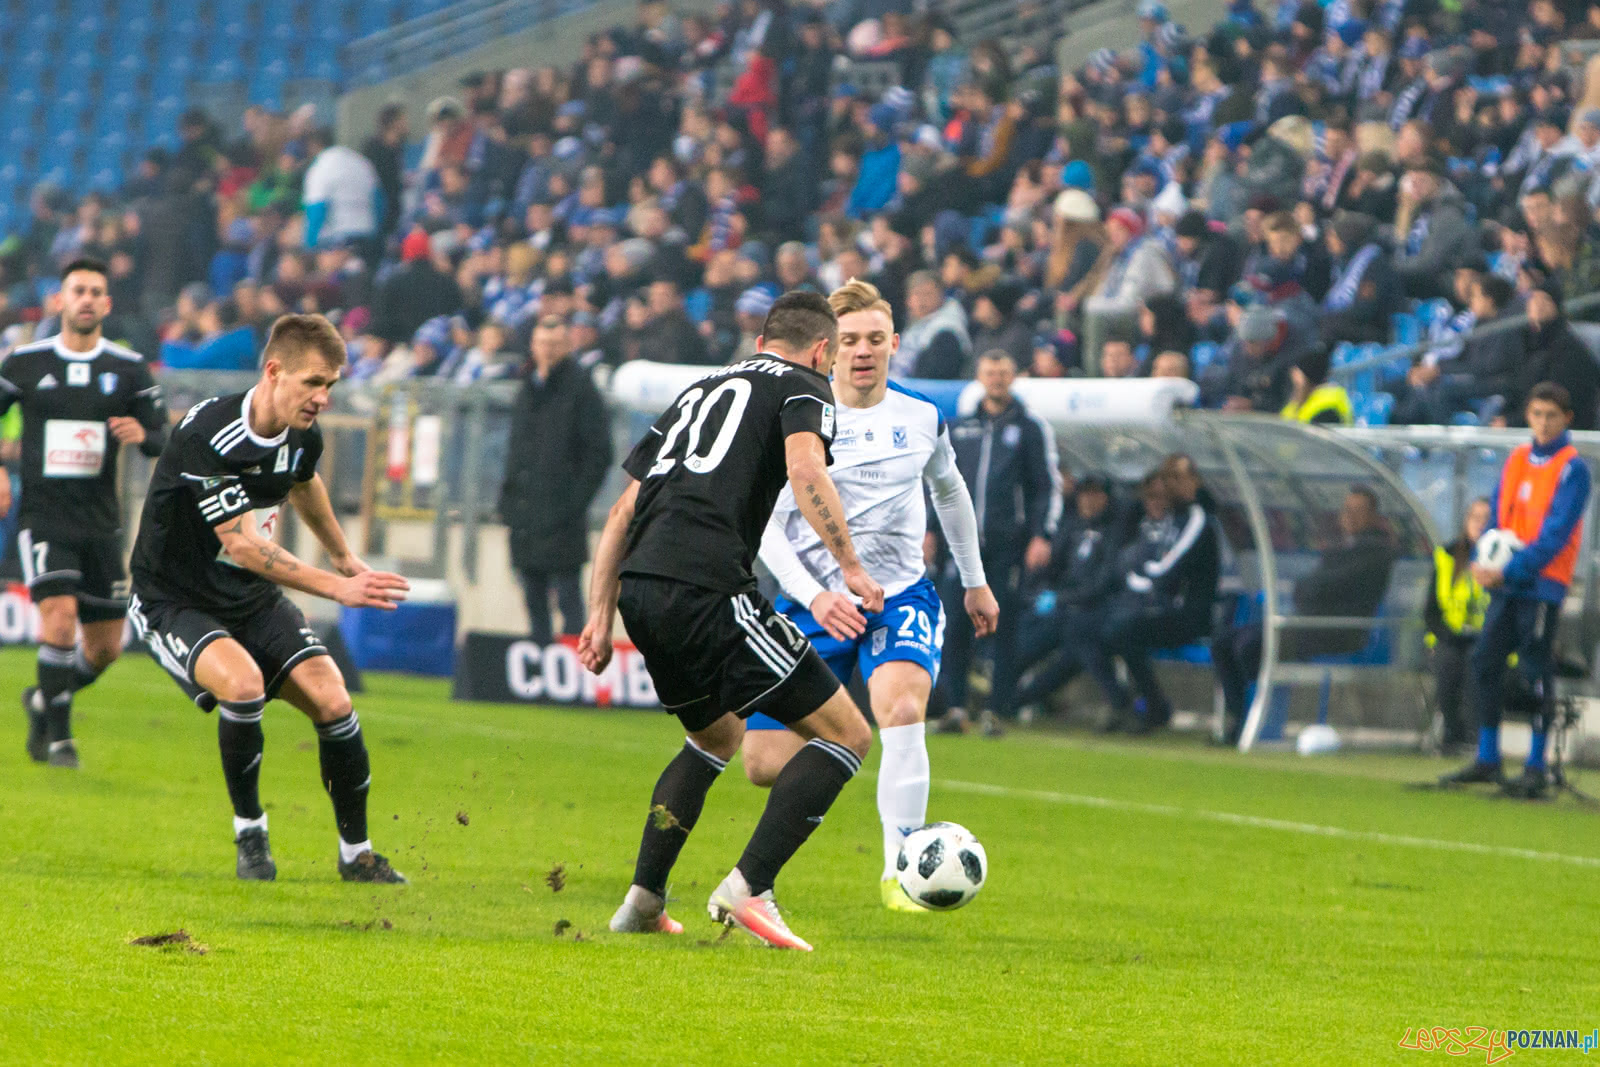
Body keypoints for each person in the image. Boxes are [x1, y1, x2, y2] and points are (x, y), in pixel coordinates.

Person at [580, 291, 886, 951]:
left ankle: (643, 898)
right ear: (820, 350)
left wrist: (599, 616)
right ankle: (750, 884)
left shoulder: (700, 390)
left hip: (642, 587)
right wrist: (851, 566)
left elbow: (619, 512)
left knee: (714, 736)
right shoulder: (806, 386)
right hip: (709, 588)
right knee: (848, 735)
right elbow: (805, 467)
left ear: (758, 343)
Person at [743, 280, 998, 912]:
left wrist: (974, 580)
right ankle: (836, 794)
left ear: (894, 344)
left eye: (875, 340)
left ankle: (900, 872)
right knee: (764, 763)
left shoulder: (921, 417)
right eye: (851, 340)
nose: (863, 352)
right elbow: (766, 524)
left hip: (900, 595)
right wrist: (812, 594)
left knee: (902, 710)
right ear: (828, 348)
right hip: (812, 604)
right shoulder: (799, 420)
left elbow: (951, 493)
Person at [127, 314, 411, 883]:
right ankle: (250, 834)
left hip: (248, 596)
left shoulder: (303, 434)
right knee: (244, 685)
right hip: (174, 598)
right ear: (274, 371)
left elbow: (303, 479)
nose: (322, 397)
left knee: (334, 702)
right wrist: (338, 588)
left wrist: (342, 554)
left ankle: (357, 856)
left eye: (330, 384)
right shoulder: (207, 436)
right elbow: (245, 545)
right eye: (312, 382)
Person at [0, 259, 169, 768]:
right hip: (44, 516)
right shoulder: (24, 363)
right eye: (78, 290)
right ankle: (60, 739)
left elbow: (162, 435)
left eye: (96, 291)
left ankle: (42, 699)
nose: (87, 299)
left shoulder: (128, 369)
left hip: (101, 521)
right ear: (60, 300)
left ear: (107, 304)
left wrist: (144, 437)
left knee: (104, 649)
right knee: (59, 617)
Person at [1439, 382, 1592, 799]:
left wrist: (1507, 570)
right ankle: (1488, 757)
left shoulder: (1572, 468)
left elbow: (1555, 535)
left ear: (1567, 419)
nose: (1543, 423)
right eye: (1537, 414)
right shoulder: (1517, 458)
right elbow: (1497, 516)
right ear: (1528, 415)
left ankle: (1536, 766)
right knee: (1485, 660)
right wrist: (1485, 560)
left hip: (1542, 585)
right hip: (1507, 584)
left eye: (1552, 416)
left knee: (1535, 669)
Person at [935, 350, 1060, 734]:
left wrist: (1042, 534)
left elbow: (1045, 487)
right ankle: (954, 707)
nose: (997, 379)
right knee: (954, 622)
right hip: (959, 543)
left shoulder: (1029, 428)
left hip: (1007, 543)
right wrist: (928, 529)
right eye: (990, 373)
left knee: (1004, 625)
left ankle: (996, 710)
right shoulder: (960, 427)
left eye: (1004, 373)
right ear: (979, 376)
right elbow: (936, 483)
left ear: (1013, 376)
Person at [1212, 485, 1398, 745]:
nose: (1350, 516)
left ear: (1374, 516)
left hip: (1334, 633)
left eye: (1358, 511)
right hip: (1308, 625)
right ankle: (1240, 718)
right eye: (1347, 510)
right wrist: (1309, 589)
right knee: (1223, 642)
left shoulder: (1375, 551)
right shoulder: (1345, 547)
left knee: (1249, 646)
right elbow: (1313, 586)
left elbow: (1324, 585)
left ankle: (1258, 721)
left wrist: (1309, 589)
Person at [499, 315, 613, 644]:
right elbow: (516, 448)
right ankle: (539, 660)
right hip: (523, 510)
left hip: (561, 513)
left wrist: (573, 502)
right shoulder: (527, 386)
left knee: (567, 596)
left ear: (567, 346)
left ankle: (575, 669)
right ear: (533, 346)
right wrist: (508, 500)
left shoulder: (581, 388)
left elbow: (598, 454)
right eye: (542, 343)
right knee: (532, 595)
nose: (547, 350)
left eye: (554, 344)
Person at [1086, 454, 1220, 732]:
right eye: (1170, 478)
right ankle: (1124, 702)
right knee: (1089, 628)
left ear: (1195, 481)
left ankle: (1154, 705)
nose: (1174, 486)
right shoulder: (1167, 517)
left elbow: (1168, 568)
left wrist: (1142, 577)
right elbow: (1142, 558)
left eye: (1180, 479)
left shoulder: (1197, 519)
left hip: (1188, 614)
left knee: (1123, 630)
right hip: (1158, 607)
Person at [1012, 472, 1120, 718]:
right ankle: (1004, 694)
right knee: (1025, 639)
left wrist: (1062, 599)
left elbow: (1104, 583)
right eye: (1084, 494)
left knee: (1076, 642)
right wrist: (1040, 592)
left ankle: (1118, 703)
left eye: (1095, 494)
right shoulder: (1071, 527)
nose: (1088, 501)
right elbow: (1053, 569)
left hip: (1093, 610)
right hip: (1062, 608)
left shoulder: (1114, 532)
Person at [1424, 499, 1492, 756]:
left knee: (1479, 667)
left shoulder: (1505, 558)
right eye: (1475, 518)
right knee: (1448, 665)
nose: (1480, 524)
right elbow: (1431, 611)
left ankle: (1477, 740)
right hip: (1449, 637)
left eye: (1486, 518)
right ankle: (1451, 736)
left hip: (1487, 640)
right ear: (1466, 521)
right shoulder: (1447, 555)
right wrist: (1446, 636)